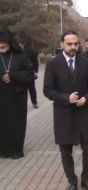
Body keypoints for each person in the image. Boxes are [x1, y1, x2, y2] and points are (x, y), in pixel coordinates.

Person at [43, 30, 88, 190]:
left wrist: (86, 98)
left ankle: (86, 180)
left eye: (76, 44)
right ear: (62, 44)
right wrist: (65, 98)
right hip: (64, 113)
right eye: (69, 44)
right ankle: (71, 181)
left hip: (85, 112)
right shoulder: (53, 64)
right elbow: (47, 90)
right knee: (65, 150)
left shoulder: (86, 62)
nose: (73, 47)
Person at [0, 25, 33, 159]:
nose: (1, 45)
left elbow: (30, 74)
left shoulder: (20, 56)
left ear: (9, 42)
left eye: (3, 43)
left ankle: (16, 150)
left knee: (16, 125)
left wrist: (13, 76)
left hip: (16, 98)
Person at [19, 38, 39, 109]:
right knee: (22, 90)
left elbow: (36, 62)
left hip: (30, 73)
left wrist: (36, 71)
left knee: (32, 89)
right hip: (21, 75)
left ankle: (34, 102)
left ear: (23, 44)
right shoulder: (16, 53)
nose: (19, 46)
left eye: (20, 45)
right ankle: (22, 104)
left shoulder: (31, 51)